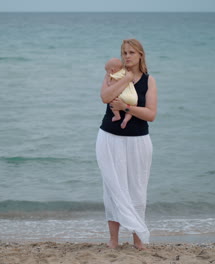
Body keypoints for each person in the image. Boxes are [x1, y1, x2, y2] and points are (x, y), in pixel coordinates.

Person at [96, 39, 158, 250]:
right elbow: (105, 97)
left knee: (137, 189)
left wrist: (126, 108)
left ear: (140, 55)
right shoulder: (113, 75)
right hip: (109, 138)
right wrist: (127, 78)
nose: (127, 56)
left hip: (139, 141)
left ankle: (138, 239)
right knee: (112, 189)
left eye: (131, 52)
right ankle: (113, 240)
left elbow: (151, 115)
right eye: (124, 53)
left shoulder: (149, 81)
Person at [104, 57, 138, 129]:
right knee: (133, 105)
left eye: (107, 71)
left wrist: (109, 81)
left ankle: (117, 116)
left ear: (112, 70)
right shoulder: (126, 73)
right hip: (132, 97)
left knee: (112, 103)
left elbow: (111, 86)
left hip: (123, 97)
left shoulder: (113, 76)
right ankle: (126, 119)